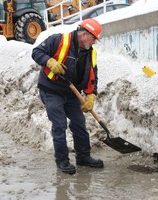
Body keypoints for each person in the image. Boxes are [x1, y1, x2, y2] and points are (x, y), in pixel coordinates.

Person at [31, 18, 104, 175]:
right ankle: (62, 161)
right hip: (51, 90)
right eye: (93, 38)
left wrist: (91, 95)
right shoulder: (58, 39)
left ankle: (83, 157)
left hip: (71, 92)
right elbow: (36, 52)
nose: (95, 42)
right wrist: (49, 61)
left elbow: (93, 75)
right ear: (84, 34)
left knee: (79, 123)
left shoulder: (90, 52)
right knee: (60, 125)